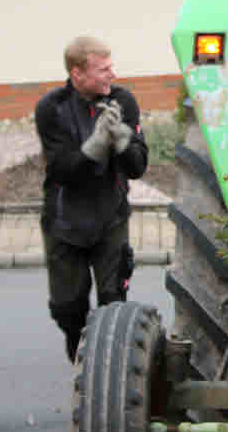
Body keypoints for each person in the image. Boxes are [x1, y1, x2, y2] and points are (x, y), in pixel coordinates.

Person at [35, 36, 148, 363]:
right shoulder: (51, 108)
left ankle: (109, 370)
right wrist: (96, 145)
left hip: (110, 217)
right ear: (77, 73)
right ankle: (80, 360)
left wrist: (123, 140)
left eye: (111, 67)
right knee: (68, 308)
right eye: (103, 69)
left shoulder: (122, 101)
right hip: (65, 221)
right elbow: (62, 170)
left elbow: (138, 167)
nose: (112, 74)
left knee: (113, 304)